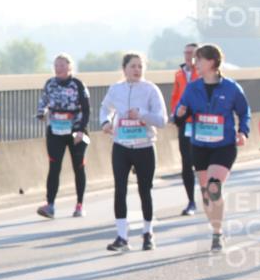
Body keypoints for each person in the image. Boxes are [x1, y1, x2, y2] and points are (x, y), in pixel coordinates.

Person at [173, 43, 251, 252]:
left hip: (224, 146)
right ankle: (217, 229)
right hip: (200, 145)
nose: (195, 63)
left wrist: (243, 132)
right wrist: (179, 113)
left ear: (212, 62)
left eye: (199, 59)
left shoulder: (231, 88)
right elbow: (179, 115)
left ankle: (217, 235)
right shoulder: (192, 88)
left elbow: (244, 112)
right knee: (206, 192)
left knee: (214, 186)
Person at [99, 53, 168, 252]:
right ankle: (122, 236)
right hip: (121, 145)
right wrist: (105, 122)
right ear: (124, 69)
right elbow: (105, 108)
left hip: (144, 146)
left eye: (140, 66)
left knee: (145, 190)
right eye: (133, 66)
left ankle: (148, 233)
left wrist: (142, 114)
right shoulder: (116, 89)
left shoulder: (150, 89)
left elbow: (162, 120)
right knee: (119, 190)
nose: (137, 70)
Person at [36, 54, 91, 218]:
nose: (58, 68)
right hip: (56, 130)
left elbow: (86, 109)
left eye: (62, 65)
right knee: (54, 167)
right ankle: (50, 205)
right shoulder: (50, 84)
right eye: (56, 65)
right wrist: (41, 113)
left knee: (78, 166)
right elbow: (43, 101)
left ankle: (79, 204)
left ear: (69, 67)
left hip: (76, 130)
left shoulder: (78, 84)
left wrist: (81, 130)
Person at [169, 42, 200, 216]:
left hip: (202, 124)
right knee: (186, 163)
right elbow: (175, 97)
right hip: (185, 124)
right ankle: (191, 201)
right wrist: (175, 115)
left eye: (192, 53)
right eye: (186, 52)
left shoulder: (203, 73)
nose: (188, 56)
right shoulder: (179, 74)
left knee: (203, 163)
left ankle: (210, 197)